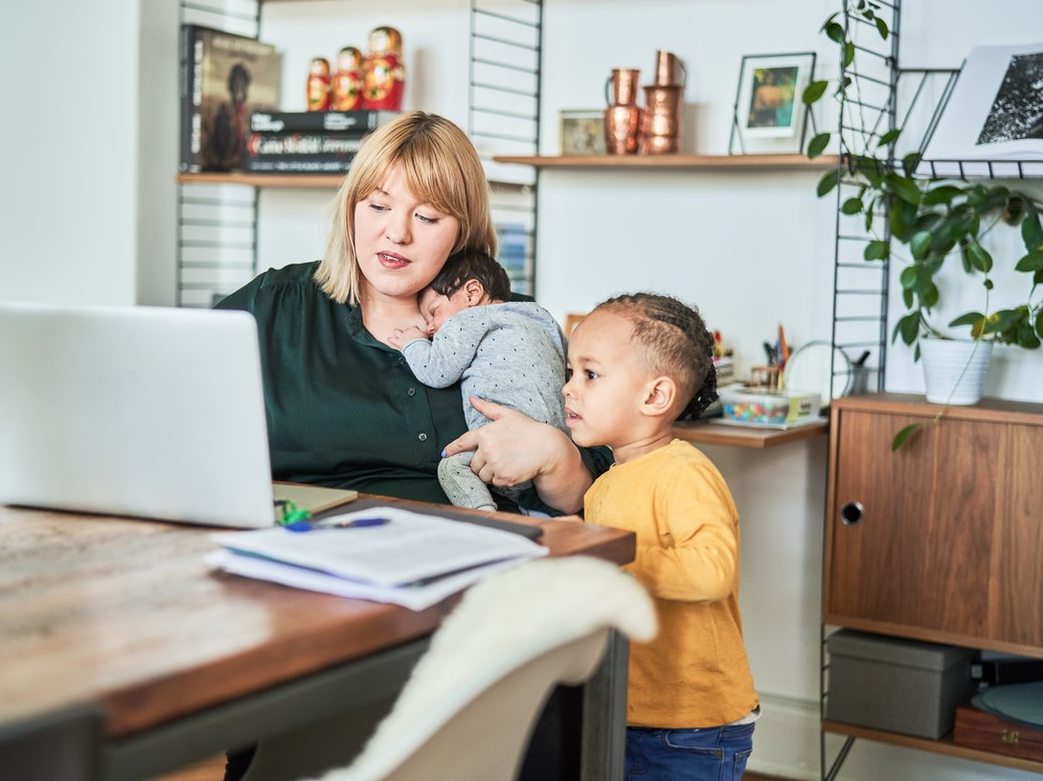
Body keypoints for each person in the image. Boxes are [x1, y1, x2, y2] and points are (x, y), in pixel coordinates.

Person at [214, 110, 609, 780]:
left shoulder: (510, 329)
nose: (395, 233)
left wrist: (556, 454)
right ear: (351, 208)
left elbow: (591, 489)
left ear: (463, 232)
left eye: (427, 217)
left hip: (477, 598)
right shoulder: (277, 307)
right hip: (315, 600)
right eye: (377, 205)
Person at [562, 292, 759, 781]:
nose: (569, 389)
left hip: (691, 729)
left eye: (590, 374)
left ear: (655, 396)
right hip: (628, 712)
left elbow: (712, 571)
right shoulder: (607, 482)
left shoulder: (683, 473)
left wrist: (604, 550)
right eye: (570, 372)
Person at [388, 249, 568, 511]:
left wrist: (412, 342)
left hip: (502, 445)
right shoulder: (540, 317)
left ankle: (483, 514)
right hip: (552, 444)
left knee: (451, 466)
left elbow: (436, 371)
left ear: (471, 293)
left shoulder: (466, 319)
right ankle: (535, 512)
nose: (430, 327)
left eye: (434, 312)